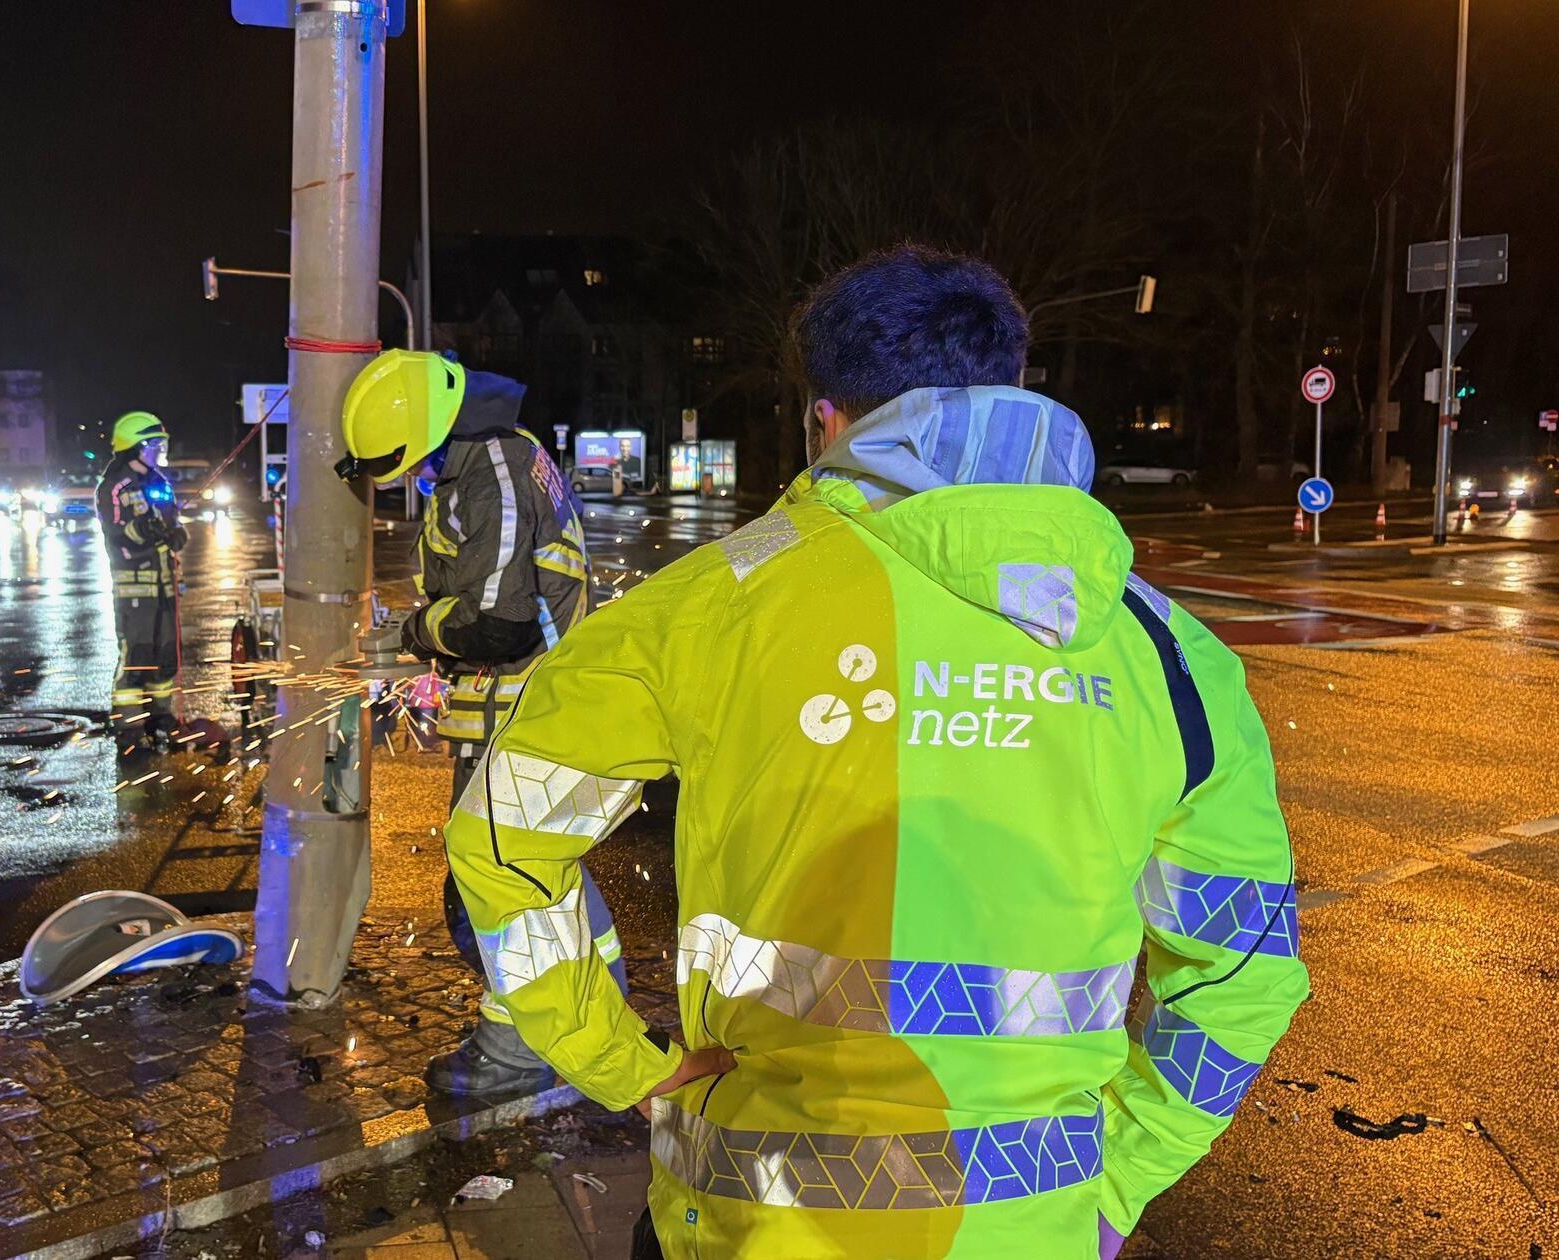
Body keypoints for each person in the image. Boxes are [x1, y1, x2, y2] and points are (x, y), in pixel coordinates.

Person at [442, 245, 1308, 1259]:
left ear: (828, 418)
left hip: (748, 1223)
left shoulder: (709, 605)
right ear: (1013, 389)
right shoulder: (1167, 652)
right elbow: (1242, 975)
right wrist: (1121, 1180)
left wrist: (616, 1059)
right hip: (1033, 1232)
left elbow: (502, 842)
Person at [338, 350, 627, 1098]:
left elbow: (496, 622)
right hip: (521, 706)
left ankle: (523, 1046)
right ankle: (591, 1015)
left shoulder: (492, 467)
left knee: (491, 888)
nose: (403, 477)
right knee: (531, 877)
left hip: (523, 709)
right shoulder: (482, 457)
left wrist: (412, 632)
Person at [99, 411, 187, 753]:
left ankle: (161, 724)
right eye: (154, 444)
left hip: (165, 587)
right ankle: (129, 732)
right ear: (135, 447)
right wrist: (140, 531)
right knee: (138, 659)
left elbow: (171, 520)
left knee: (165, 659)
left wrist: (177, 533)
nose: (160, 449)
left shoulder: (160, 483)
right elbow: (116, 532)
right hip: (136, 588)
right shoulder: (115, 486)